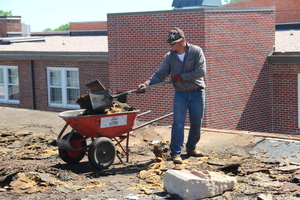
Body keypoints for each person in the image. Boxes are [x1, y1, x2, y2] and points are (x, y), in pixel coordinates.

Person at [138, 27, 206, 164]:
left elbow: (201, 71)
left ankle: (192, 148)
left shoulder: (196, 51)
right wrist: (147, 83)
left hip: (197, 92)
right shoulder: (169, 57)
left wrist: (182, 77)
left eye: (173, 43)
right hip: (180, 94)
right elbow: (160, 74)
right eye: (170, 42)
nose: (171, 45)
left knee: (196, 123)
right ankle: (176, 153)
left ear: (182, 41)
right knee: (178, 123)